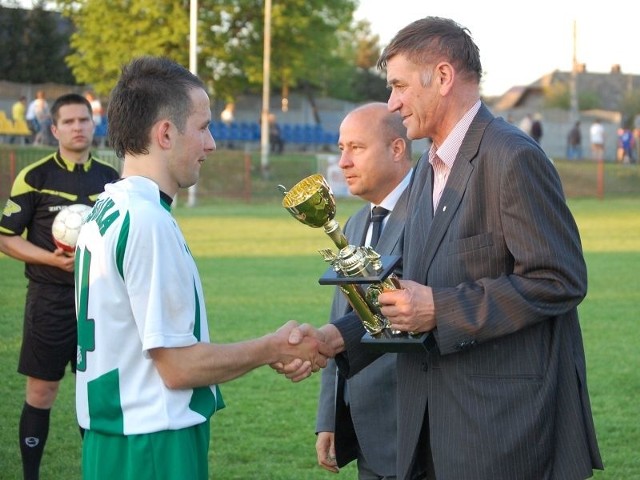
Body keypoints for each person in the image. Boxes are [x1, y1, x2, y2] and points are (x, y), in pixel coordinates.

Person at [276, 17, 603, 480]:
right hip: (430, 428)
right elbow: (409, 276)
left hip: (502, 432)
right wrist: (336, 339)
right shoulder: (429, 168)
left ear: (444, 77)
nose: (393, 102)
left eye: (399, 86)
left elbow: (559, 280)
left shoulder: (512, 157)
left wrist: (440, 309)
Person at [73, 56, 328, 480]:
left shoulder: (108, 207)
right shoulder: (147, 221)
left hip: (117, 437)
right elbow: (179, 368)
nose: (211, 144)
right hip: (152, 444)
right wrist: (273, 346)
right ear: (166, 133)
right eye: (204, 127)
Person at [0, 93, 120, 480]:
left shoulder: (112, 179)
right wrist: (50, 259)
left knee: (96, 397)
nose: (77, 127)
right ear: (54, 129)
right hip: (50, 302)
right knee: (42, 393)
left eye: (83, 120)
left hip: (99, 303)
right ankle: (30, 476)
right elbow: (5, 237)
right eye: (68, 122)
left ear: (93, 123)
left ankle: (98, 472)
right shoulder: (34, 176)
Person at [315, 102, 413, 479]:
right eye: (341, 148)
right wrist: (330, 417)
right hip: (364, 430)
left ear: (397, 148)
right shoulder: (354, 225)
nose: (343, 162)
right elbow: (339, 322)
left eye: (356, 148)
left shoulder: (431, 215)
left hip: (415, 430)